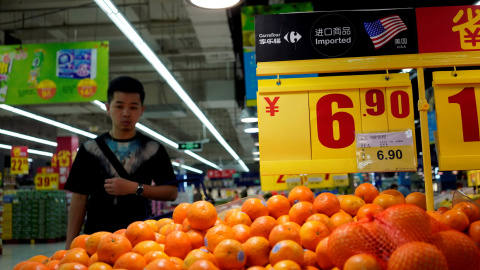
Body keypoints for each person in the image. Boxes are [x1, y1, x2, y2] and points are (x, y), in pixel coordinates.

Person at [64, 76, 178, 249]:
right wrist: (69, 246)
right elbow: (79, 198)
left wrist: (135, 188)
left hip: (139, 239)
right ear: (108, 108)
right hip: (96, 239)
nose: (126, 112)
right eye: (119, 106)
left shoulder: (153, 149)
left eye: (133, 107)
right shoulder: (89, 149)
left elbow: (171, 193)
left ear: (141, 110)